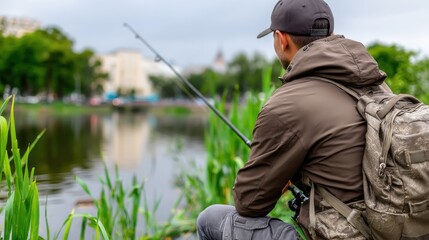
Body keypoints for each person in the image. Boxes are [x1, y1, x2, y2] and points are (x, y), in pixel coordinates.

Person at [197, 0, 387, 239]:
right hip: (392, 226)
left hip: (346, 233)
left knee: (210, 218)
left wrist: (280, 179)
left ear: (281, 39)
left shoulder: (286, 105)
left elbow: (249, 203)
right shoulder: (378, 86)